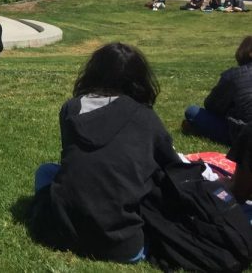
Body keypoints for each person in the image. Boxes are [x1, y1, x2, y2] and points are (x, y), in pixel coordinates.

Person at [28, 42, 180, 263]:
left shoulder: (72, 109)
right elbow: (169, 166)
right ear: (139, 78)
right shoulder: (145, 117)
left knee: (47, 171)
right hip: (122, 246)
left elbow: (71, 158)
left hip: (60, 232)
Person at [183, 36, 252, 146]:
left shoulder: (233, 76)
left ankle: (196, 128)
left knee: (192, 111)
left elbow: (211, 105)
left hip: (244, 134)